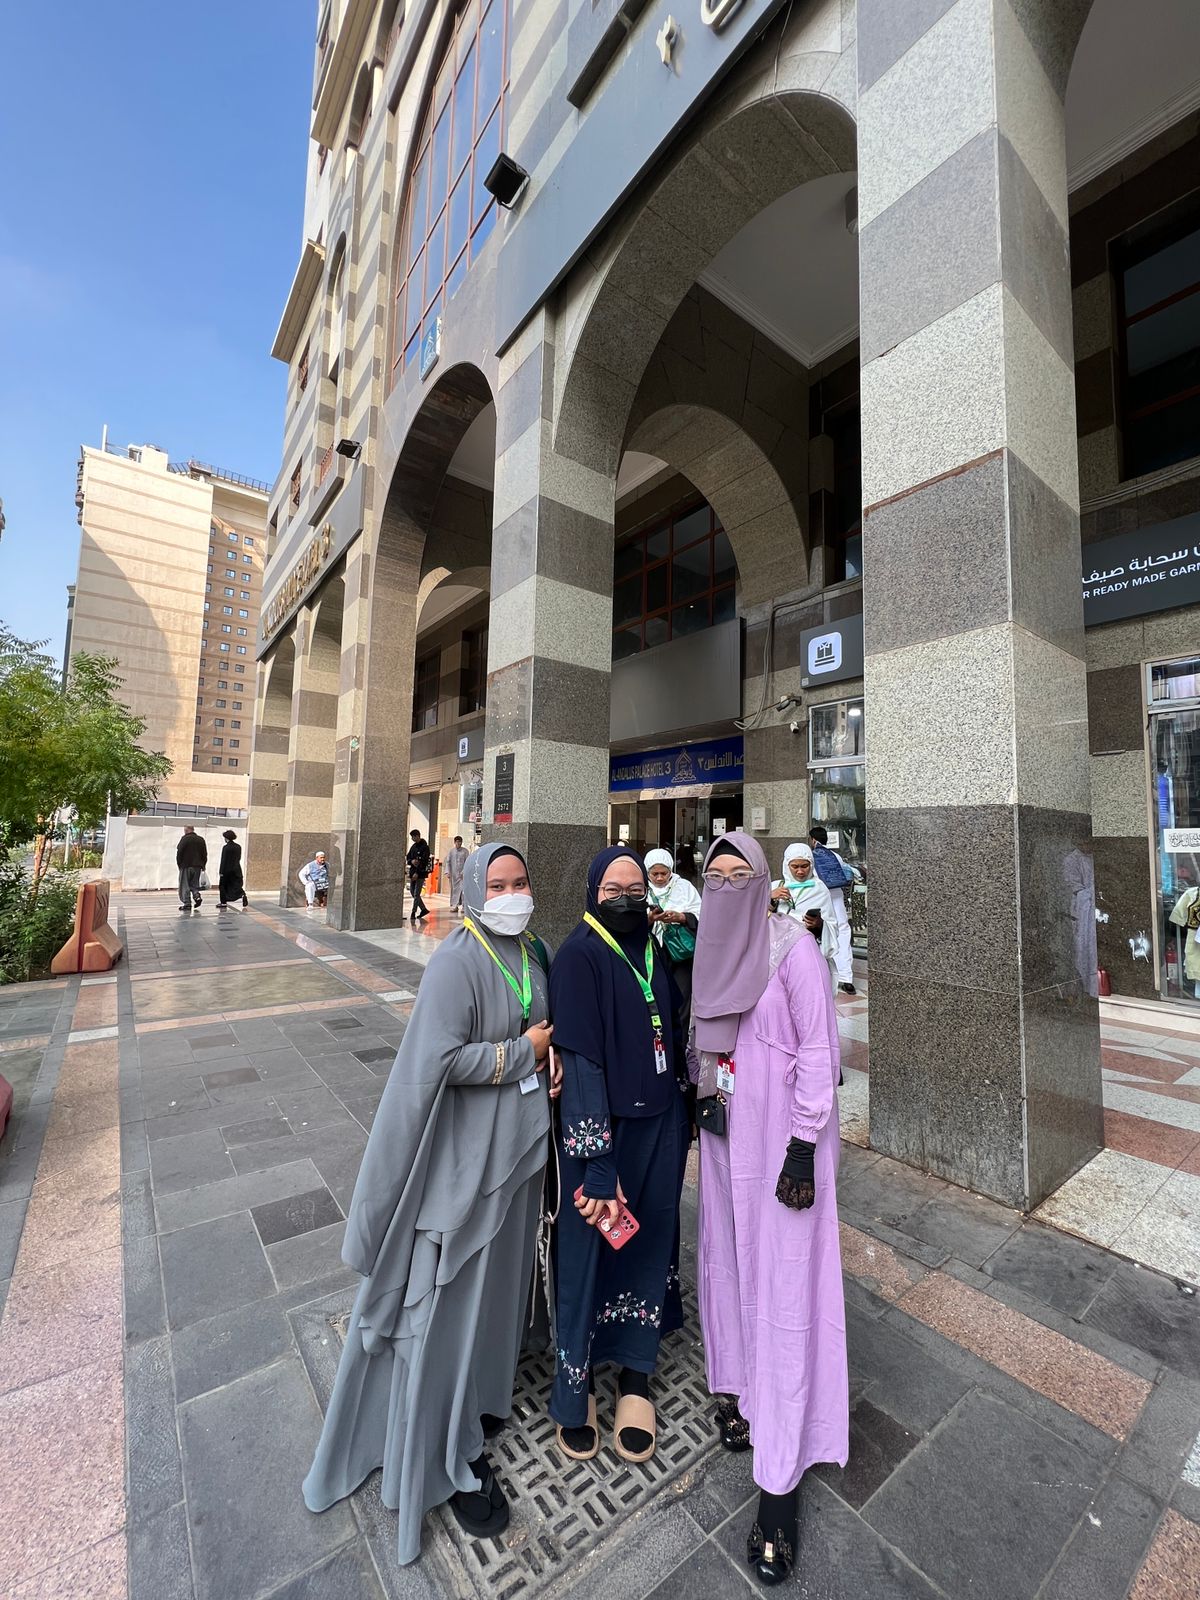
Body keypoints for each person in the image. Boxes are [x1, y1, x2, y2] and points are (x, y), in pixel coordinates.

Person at [303, 844, 560, 1564]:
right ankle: (442, 1443)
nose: (512, 894)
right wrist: (521, 1054)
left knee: (496, 1295)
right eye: (498, 884)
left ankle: (480, 1402)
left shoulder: (531, 950)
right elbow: (435, 1062)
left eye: (521, 882)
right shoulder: (456, 961)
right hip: (467, 1165)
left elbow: (545, 1028)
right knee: (449, 1302)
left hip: (519, 1155)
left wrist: (553, 1058)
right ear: (474, 889)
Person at [691, 833, 848, 1585]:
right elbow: (706, 1047)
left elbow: (819, 1051)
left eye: (741, 875)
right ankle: (745, 1395)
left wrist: (803, 1146)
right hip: (726, 1148)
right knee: (729, 1274)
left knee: (784, 1295)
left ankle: (779, 1485)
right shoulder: (709, 951)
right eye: (715, 876)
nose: (728, 887)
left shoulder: (794, 951)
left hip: (786, 1154)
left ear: (764, 882)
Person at [548, 846, 690, 1466]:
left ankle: (635, 1376)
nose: (628, 899)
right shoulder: (579, 956)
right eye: (614, 890)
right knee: (589, 1255)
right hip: (603, 1139)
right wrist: (599, 1165)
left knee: (649, 1244)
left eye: (637, 890)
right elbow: (580, 1064)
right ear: (593, 892)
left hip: (661, 1127)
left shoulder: (654, 947)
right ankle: (574, 1386)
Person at [771, 843, 838, 985]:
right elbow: (756, 918)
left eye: (804, 866)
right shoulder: (775, 886)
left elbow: (832, 925)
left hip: (806, 954)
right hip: (777, 955)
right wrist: (769, 898)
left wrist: (819, 925)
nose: (800, 871)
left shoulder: (819, 889)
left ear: (811, 865)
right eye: (795, 866)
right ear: (786, 866)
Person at [644, 847, 702, 1010]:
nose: (660, 878)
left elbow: (701, 914)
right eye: (655, 874)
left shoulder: (684, 887)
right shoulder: (640, 888)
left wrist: (681, 917)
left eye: (664, 873)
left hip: (680, 951)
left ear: (671, 870)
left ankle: (679, 1027)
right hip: (651, 950)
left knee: (682, 995)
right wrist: (650, 919)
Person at [809, 826, 858, 994]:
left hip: (819, 897)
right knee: (842, 931)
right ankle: (846, 977)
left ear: (813, 840)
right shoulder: (835, 856)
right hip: (837, 896)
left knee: (821, 932)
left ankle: (822, 975)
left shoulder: (812, 856)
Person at [176, 825, 207, 913]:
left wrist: (179, 864)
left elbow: (179, 852)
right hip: (197, 866)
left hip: (186, 865)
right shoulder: (200, 839)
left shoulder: (184, 839)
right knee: (194, 884)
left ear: (186, 830)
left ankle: (187, 903)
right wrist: (203, 865)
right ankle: (197, 896)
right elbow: (204, 853)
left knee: (184, 884)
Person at [217, 829, 248, 911]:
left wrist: (221, 871)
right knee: (236, 885)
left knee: (222, 886)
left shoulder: (226, 848)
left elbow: (223, 860)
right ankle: (242, 894)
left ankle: (223, 902)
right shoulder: (238, 847)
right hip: (236, 869)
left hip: (226, 870)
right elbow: (238, 858)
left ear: (226, 838)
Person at [407, 828, 432, 921]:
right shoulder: (413, 847)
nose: (412, 839)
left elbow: (424, 862)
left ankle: (413, 912)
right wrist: (412, 861)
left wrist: (417, 872)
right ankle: (423, 909)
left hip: (420, 874)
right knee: (412, 892)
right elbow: (408, 857)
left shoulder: (425, 847)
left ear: (417, 836)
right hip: (412, 872)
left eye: (413, 837)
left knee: (416, 893)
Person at [446, 835, 469, 914]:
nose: (458, 843)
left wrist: (464, 872)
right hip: (454, 875)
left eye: (459, 842)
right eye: (456, 842)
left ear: (461, 842)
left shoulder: (465, 851)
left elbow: (467, 862)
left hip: (463, 875)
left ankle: (464, 906)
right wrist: (448, 872)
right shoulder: (451, 851)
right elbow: (448, 862)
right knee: (454, 891)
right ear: (454, 842)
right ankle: (454, 906)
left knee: (463, 891)